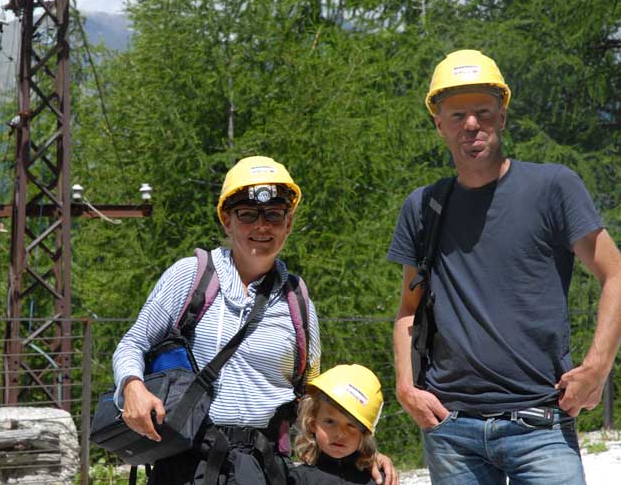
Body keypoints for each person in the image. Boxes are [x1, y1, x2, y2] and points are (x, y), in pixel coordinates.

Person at [387, 48, 621, 484]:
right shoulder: (423, 207)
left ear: (503, 116)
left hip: (542, 423)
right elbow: (408, 309)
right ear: (439, 124)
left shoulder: (553, 187)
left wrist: (597, 368)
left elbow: (616, 273)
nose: (471, 125)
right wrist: (405, 388)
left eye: (483, 112)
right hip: (452, 430)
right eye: (457, 115)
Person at [113, 156, 396, 485]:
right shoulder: (191, 277)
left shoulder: (298, 300)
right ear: (227, 220)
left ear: (288, 224)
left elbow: (316, 401)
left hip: (262, 468)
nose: (262, 226)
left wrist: (363, 451)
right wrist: (132, 385)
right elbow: (133, 344)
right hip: (187, 464)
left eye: (274, 215)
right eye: (247, 214)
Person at [289, 364, 387, 485]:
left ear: (364, 432)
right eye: (330, 421)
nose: (340, 434)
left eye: (351, 425)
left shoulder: (378, 479)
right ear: (312, 423)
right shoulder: (299, 478)